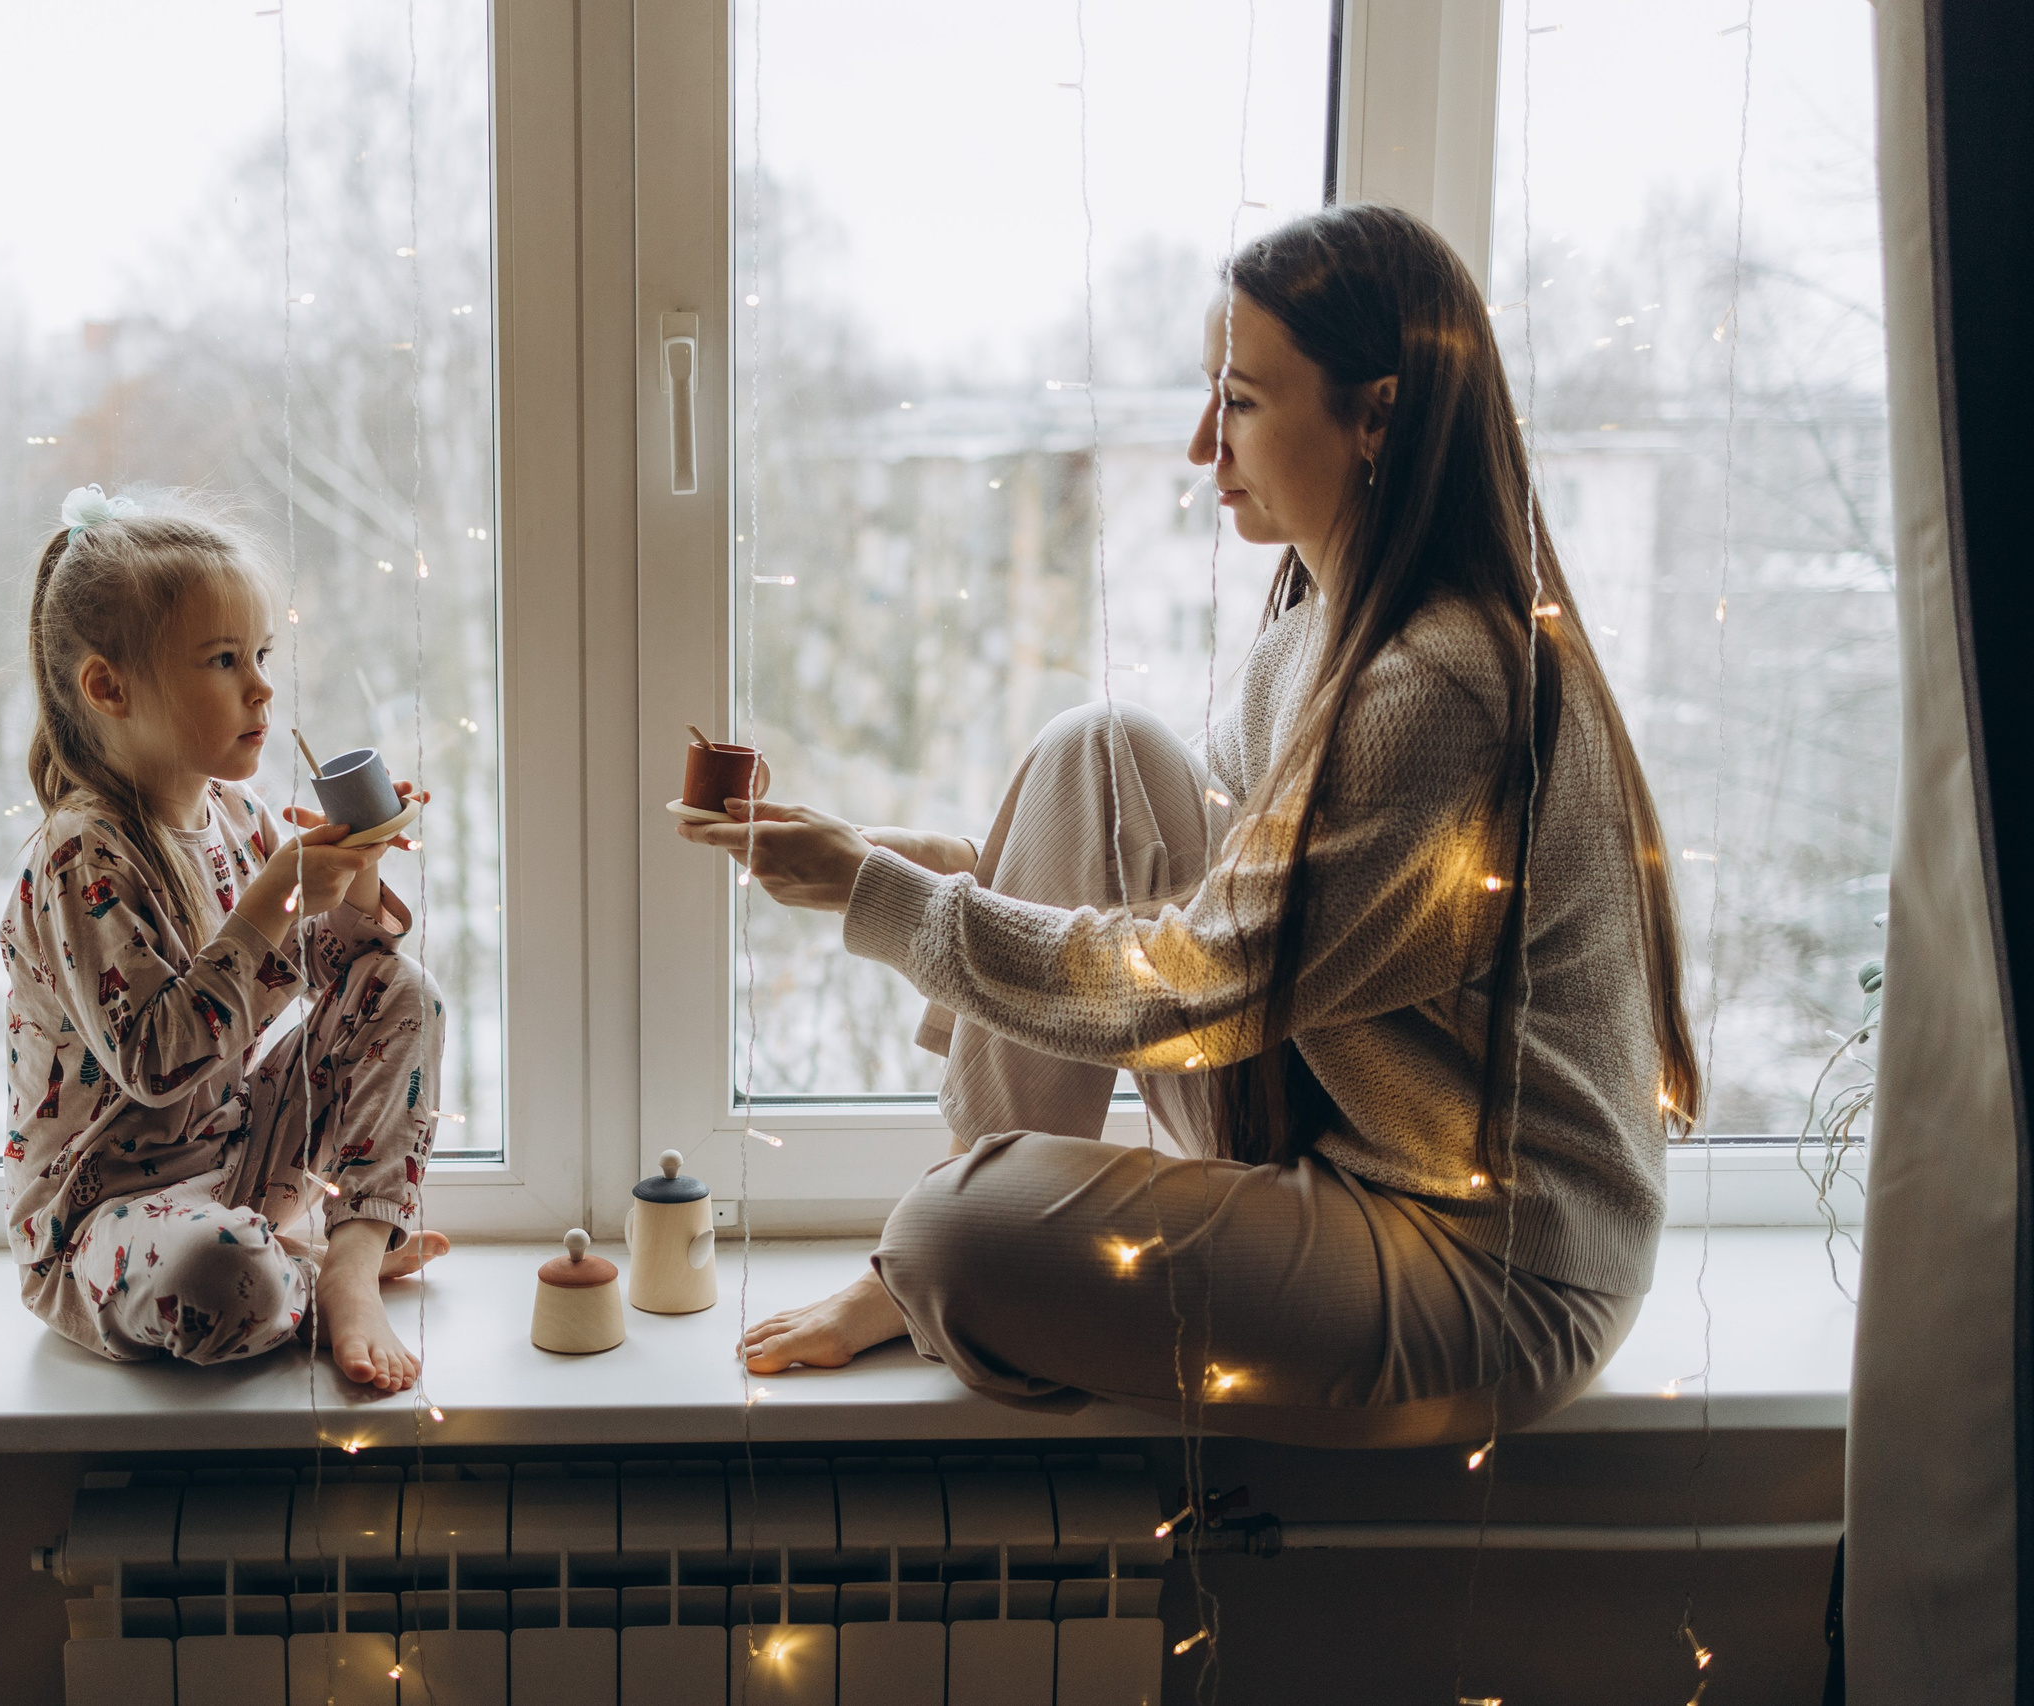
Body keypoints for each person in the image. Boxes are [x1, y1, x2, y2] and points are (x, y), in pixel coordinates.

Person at [681, 204, 1698, 1448]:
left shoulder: (1437, 688)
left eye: (1242, 402)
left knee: (954, 1235)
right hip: (1323, 1115)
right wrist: (888, 865)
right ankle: (952, 1231)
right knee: (1096, 749)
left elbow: (1194, 981)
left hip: (1483, 1263)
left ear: (1375, 413)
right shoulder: (1316, 632)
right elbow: (1211, 910)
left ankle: (946, 1245)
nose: (1199, 444)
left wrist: (873, 896)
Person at [1, 484, 447, 1388]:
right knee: (221, 1275)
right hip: (108, 1228)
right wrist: (277, 899)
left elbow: (343, 982)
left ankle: (350, 1266)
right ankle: (300, 1273)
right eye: (222, 660)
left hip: (242, 1158)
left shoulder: (237, 819)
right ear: (109, 687)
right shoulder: (78, 858)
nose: (261, 686)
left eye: (261, 654)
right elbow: (157, 1062)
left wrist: (352, 874)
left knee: (406, 992)